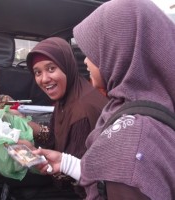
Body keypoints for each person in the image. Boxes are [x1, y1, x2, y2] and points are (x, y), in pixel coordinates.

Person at [34, 0, 175, 199]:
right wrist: (68, 164)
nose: (85, 61)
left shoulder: (128, 146)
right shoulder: (139, 106)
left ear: (118, 51)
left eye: (92, 51)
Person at [9, 37, 108, 199]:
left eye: (51, 68)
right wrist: (30, 131)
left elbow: (77, 174)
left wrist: (35, 157)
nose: (44, 79)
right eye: (38, 72)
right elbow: (57, 140)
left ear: (66, 66)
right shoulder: (67, 96)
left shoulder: (81, 111)